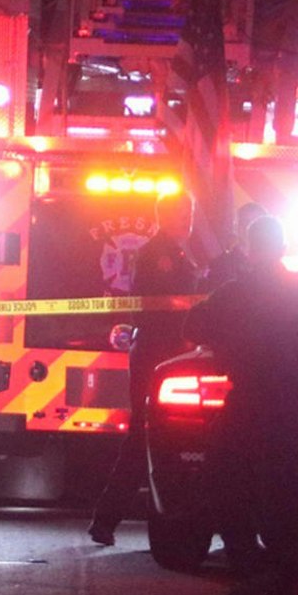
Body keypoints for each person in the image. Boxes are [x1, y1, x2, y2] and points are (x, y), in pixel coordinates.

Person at [183, 214, 298, 595]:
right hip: (289, 407)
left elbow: (193, 325)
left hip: (246, 406)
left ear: (249, 250)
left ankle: (251, 568)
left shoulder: (236, 292)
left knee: (221, 484)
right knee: (282, 499)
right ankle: (281, 591)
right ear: (283, 248)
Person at [86, 190, 203, 545]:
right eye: (180, 213)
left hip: (164, 354)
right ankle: (106, 520)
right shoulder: (160, 254)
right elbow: (169, 304)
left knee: (151, 437)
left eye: (190, 212)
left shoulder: (179, 251)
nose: (187, 219)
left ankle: (109, 520)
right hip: (156, 354)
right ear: (164, 215)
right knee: (144, 435)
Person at [203, 202, 270, 292]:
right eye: (245, 222)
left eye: (256, 224)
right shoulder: (221, 265)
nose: (249, 228)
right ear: (236, 227)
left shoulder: (273, 264)